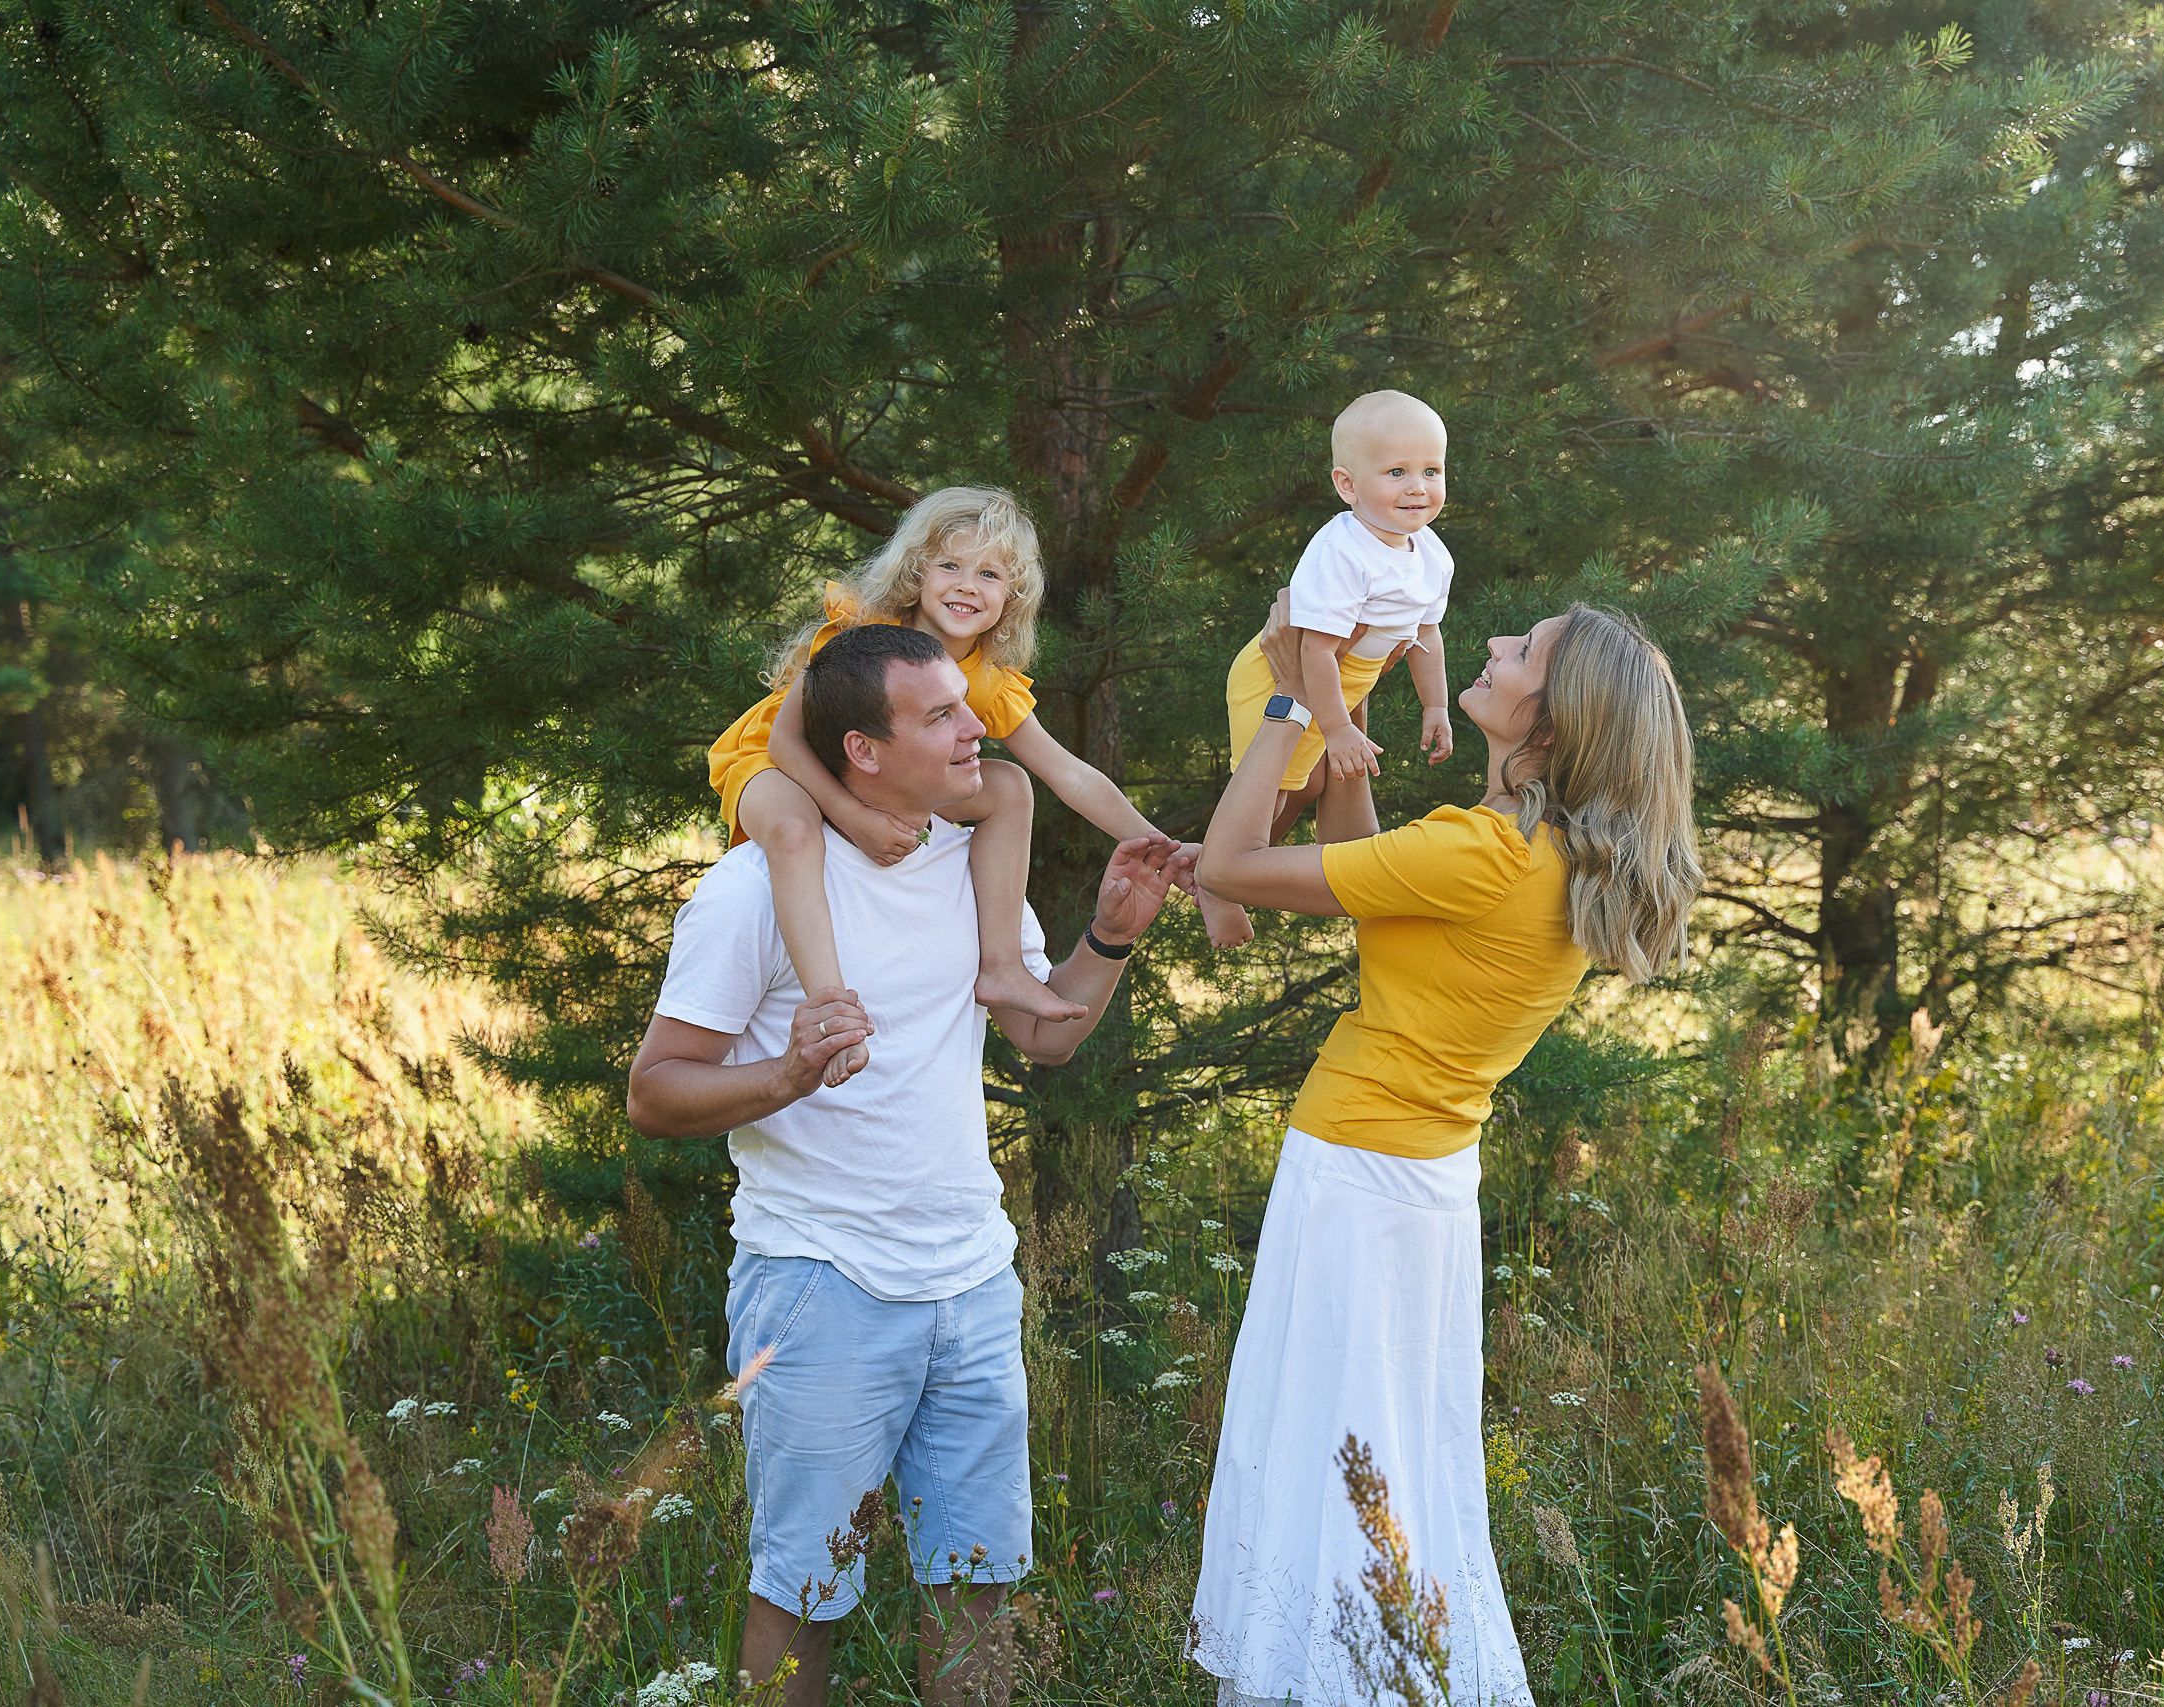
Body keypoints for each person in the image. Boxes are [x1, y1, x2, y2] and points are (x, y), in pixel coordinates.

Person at [630, 623, 1191, 1707]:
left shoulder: (967, 863)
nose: (977, 724)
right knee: (803, 1592)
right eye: (939, 715)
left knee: (976, 1586)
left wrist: (1111, 938)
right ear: (862, 752)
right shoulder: (753, 891)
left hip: (973, 1281)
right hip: (819, 1285)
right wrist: (787, 1078)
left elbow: (1048, 1036)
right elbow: (655, 1092)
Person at [1188, 593, 1701, 1707]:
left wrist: (1289, 693)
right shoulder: (1533, 854)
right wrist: (1342, 726)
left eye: (1522, 652)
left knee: (1334, 1469)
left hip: (1357, 1182)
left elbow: (1229, 866)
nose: (1492, 648)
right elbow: (1371, 887)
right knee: (1384, 1467)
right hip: (1410, 1185)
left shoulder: (1481, 853)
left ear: (1550, 725)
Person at [706, 488, 1241, 1086]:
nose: (967, 584)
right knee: (793, 830)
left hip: (871, 775)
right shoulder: (866, 634)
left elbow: (1070, 774)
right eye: (950, 566)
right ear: (916, 571)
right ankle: (832, 1008)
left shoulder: (985, 677)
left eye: (988, 573)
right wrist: (851, 816)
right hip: (782, 765)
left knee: (1009, 785)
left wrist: (1171, 852)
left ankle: (1003, 966)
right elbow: (786, 742)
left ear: (1011, 596)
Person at [1219, 392, 1457, 890]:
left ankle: (1224, 871)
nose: (1418, 488)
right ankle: (1220, 880)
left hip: (1338, 686)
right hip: (1279, 678)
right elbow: (1316, 650)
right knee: (1275, 794)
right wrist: (1338, 731)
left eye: (1431, 471)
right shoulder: (1344, 551)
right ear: (1347, 485)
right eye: (1397, 473)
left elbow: (1426, 634)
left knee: (1308, 786)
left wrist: (1435, 706)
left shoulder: (1431, 553)